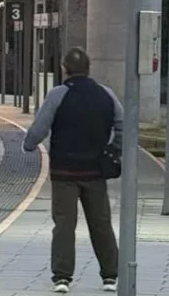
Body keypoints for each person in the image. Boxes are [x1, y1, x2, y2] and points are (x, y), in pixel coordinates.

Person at [22, 47, 123, 294]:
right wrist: (114, 150)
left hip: (64, 173)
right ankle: (110, 276)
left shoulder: (58, 95)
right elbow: (122, 125)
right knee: (101, 224)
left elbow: (40, 127)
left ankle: (62, 278)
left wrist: (28, 145)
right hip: (95, 172)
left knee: (64, 225)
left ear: (64, 69)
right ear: (89, 68)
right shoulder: (106, 94)